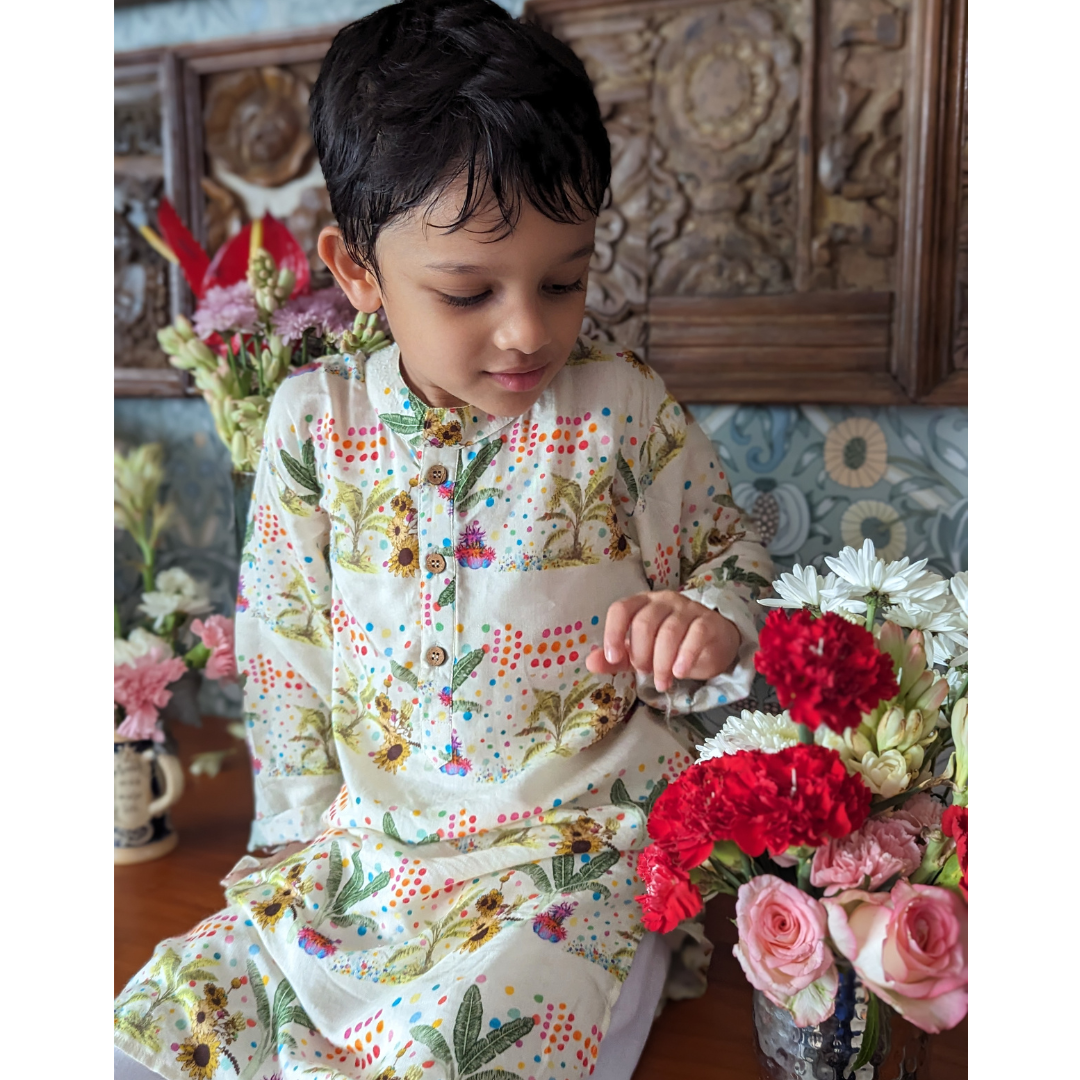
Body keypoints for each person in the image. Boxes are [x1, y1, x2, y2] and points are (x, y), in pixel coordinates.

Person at [114, 2, 772, 1077]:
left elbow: (727, 554)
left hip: (575, 857)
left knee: (479, 1035)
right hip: (367, 853)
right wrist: (291, 849)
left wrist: (709, 618)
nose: (528, 330)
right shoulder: (313, 425)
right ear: (358, 272)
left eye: (564, 280)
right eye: (469, 291)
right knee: (169, 1013)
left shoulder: (620, 406)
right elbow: (285, 652)